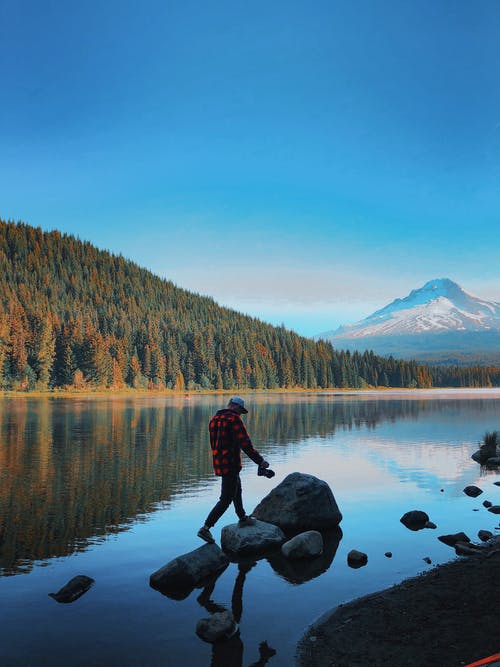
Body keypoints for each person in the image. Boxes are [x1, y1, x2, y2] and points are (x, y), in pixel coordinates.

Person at [198, 397, 269, 544]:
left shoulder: (214, 419)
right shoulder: (233, 419)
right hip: (230, 463)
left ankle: (242, 517)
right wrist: (260, 461)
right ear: (236, 406)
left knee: (237, 489)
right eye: (240, 411)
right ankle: (205, 528)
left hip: (220, 463)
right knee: (226, 499)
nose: (240, 414)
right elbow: (245, 444)